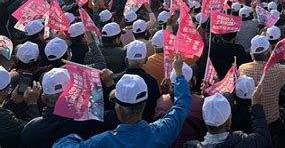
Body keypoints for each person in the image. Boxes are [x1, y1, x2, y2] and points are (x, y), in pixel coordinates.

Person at [54, 53, 192, 147]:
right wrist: (179, 74)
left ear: (118, 108)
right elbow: (181, 107)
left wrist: (73, 136)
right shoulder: (161, 132)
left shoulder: (101, 142)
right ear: (144, 104)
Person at [239, 35, 285, 145]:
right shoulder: (277, 70)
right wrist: (284, 53)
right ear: (269, 53)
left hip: (251, 119)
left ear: (252, 54)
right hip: (272, 120)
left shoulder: (243, 68)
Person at [183, 87, 272, 147]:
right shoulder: (244, 142)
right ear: (229, 122)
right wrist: (256, 105)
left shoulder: (190, 145)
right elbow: (263, 137)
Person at [0, 66, 41, 148]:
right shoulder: (2, 117)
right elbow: (30, 131)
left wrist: (12, 103)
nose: (10, 91)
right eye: (8, 88)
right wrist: (32, 104)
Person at [124, 40, 160, 123]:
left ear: (126, 60)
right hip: (147, 126)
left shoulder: (117, 80)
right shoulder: (152, 82)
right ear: (146, 60)